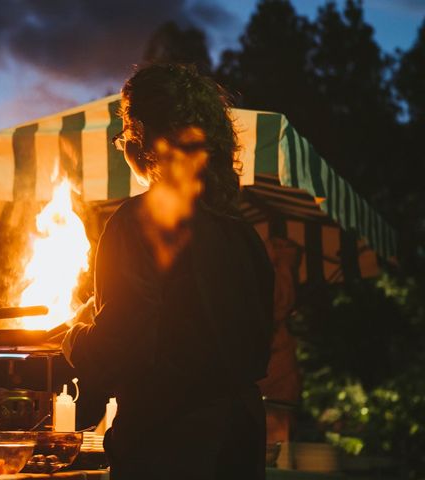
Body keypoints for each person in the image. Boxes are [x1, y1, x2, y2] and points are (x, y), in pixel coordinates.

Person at [62, 63, 274, 479]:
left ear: (143, 138)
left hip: (171, 444)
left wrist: (76, 336)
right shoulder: (241, 233)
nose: (122, 146)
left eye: (124, 135)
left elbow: (120, 346)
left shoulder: (139, 221)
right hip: (240, 440)